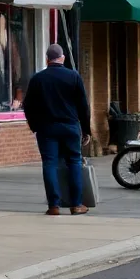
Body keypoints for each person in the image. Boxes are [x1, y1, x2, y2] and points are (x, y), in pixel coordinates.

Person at [23, 43, 92, 216]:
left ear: (47, 59)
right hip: (70, 126)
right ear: (62, 58)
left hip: (46, 128)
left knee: (49, 164)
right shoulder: (73, 76)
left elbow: (28, 105)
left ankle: (54, 205)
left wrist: (34, 126)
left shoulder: (38, 78)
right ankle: (76, 204)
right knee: (74, 162)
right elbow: (83, 106)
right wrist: (86, 129)